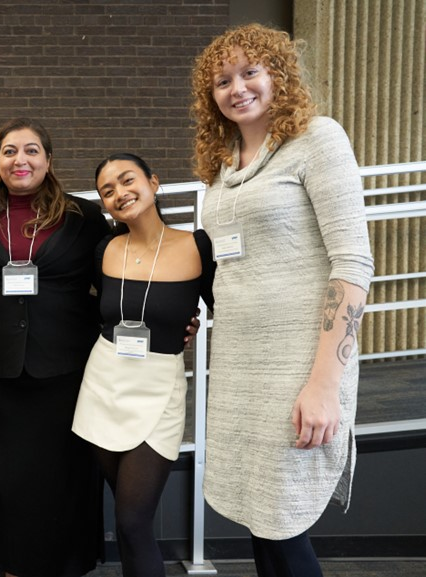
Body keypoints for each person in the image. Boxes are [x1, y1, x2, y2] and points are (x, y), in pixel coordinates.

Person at [191, 24, 374, 576]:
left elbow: (353, 263)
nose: (237, 88)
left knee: (286, 523)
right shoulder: (224, 167)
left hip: (300, 363)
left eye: (251, 71)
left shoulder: (318, 139)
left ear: (279, 74)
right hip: (239, 365)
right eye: (222, 80)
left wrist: (324, 385)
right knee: (259, 518)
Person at [0, 118, 110, 577]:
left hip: (67, 366)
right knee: (11, 476)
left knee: (67, 470)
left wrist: (171, 321)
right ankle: (14, 563)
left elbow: (115, 283)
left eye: (30, 150)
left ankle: (67, 564)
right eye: (9, 151)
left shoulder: (82, 217)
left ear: (48, 160)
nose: (19, 160)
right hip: (5, 370)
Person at [71, 152, 215, 577]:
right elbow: (100, 311)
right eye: (108, 191)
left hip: (159, 388)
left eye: (127, 180)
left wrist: (190, 325)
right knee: (128, 521)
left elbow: (224, 304)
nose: (120, 193)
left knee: (133, 522)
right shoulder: (106, 248)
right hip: (104, 383)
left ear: (153, 182)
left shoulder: (197, 245)